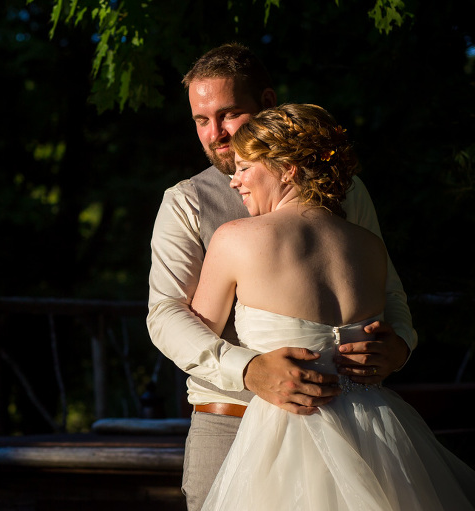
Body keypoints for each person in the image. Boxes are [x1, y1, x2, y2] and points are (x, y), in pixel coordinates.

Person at [146, 43, 416, 511]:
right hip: (229, 418)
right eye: (201, 120)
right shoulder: (186, 201)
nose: (216, 133)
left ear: (268, 103)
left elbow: (390, 292)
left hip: (351, 421)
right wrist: (248, 369)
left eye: (229, 114)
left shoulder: (347, 194)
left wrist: (401, 344)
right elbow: (165, 313)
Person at [193, 103, 475, 510]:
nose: (234, 182)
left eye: (242, 168)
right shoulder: (369, 246)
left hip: (285, 435)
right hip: (378, 433)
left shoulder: (235, 238)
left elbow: (197, 340)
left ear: (287, 168)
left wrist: (248, 368)